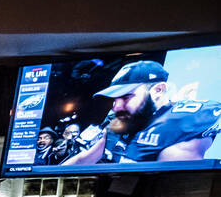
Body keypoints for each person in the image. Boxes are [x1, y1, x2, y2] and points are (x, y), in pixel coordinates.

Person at [64, 60, 221, 165]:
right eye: (115, 98)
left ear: (158, 90)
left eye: (126, 97)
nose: (116, 107)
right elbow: (84, 160)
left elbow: (166, 194)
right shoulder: (123, 121)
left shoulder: (180, 125)